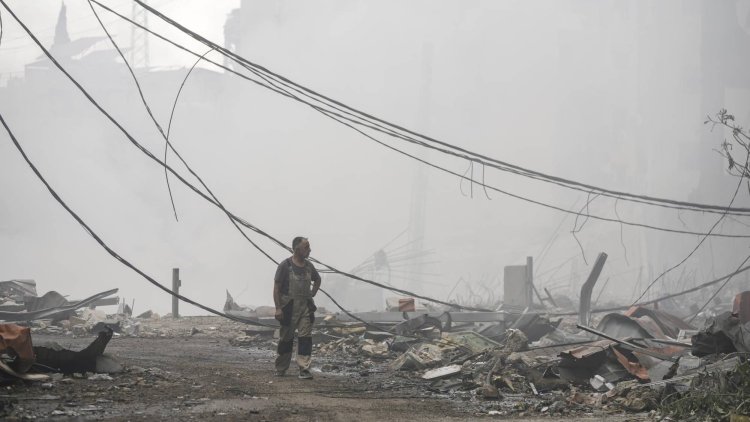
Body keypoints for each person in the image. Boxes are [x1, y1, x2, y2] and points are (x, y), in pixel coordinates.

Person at [273, 236, 321, 379]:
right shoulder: (285, 266)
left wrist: (312, 293)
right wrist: (278, 308)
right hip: (288, 308)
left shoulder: (308, 266)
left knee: (305, 338)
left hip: (305, 308)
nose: (309, 250)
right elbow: (276, 288)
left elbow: (317, 279)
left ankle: (304, 369)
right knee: (286, 339)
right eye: (306, 247)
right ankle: (281, 368)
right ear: (297, 249)